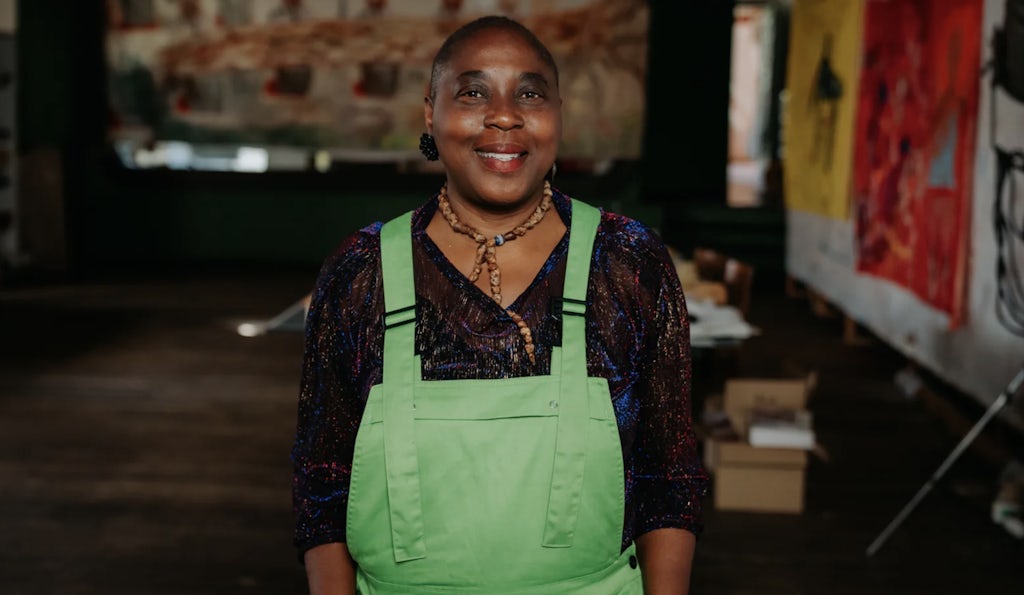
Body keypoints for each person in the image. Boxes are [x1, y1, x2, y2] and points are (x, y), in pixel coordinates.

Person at [292, 15, 708, 594]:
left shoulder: (627, 262)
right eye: (473, 93)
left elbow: (668, 478)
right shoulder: (362, 273)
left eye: (530, 94)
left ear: (559, 113)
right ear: (430, 113)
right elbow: (322, 484)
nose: (505, 115)